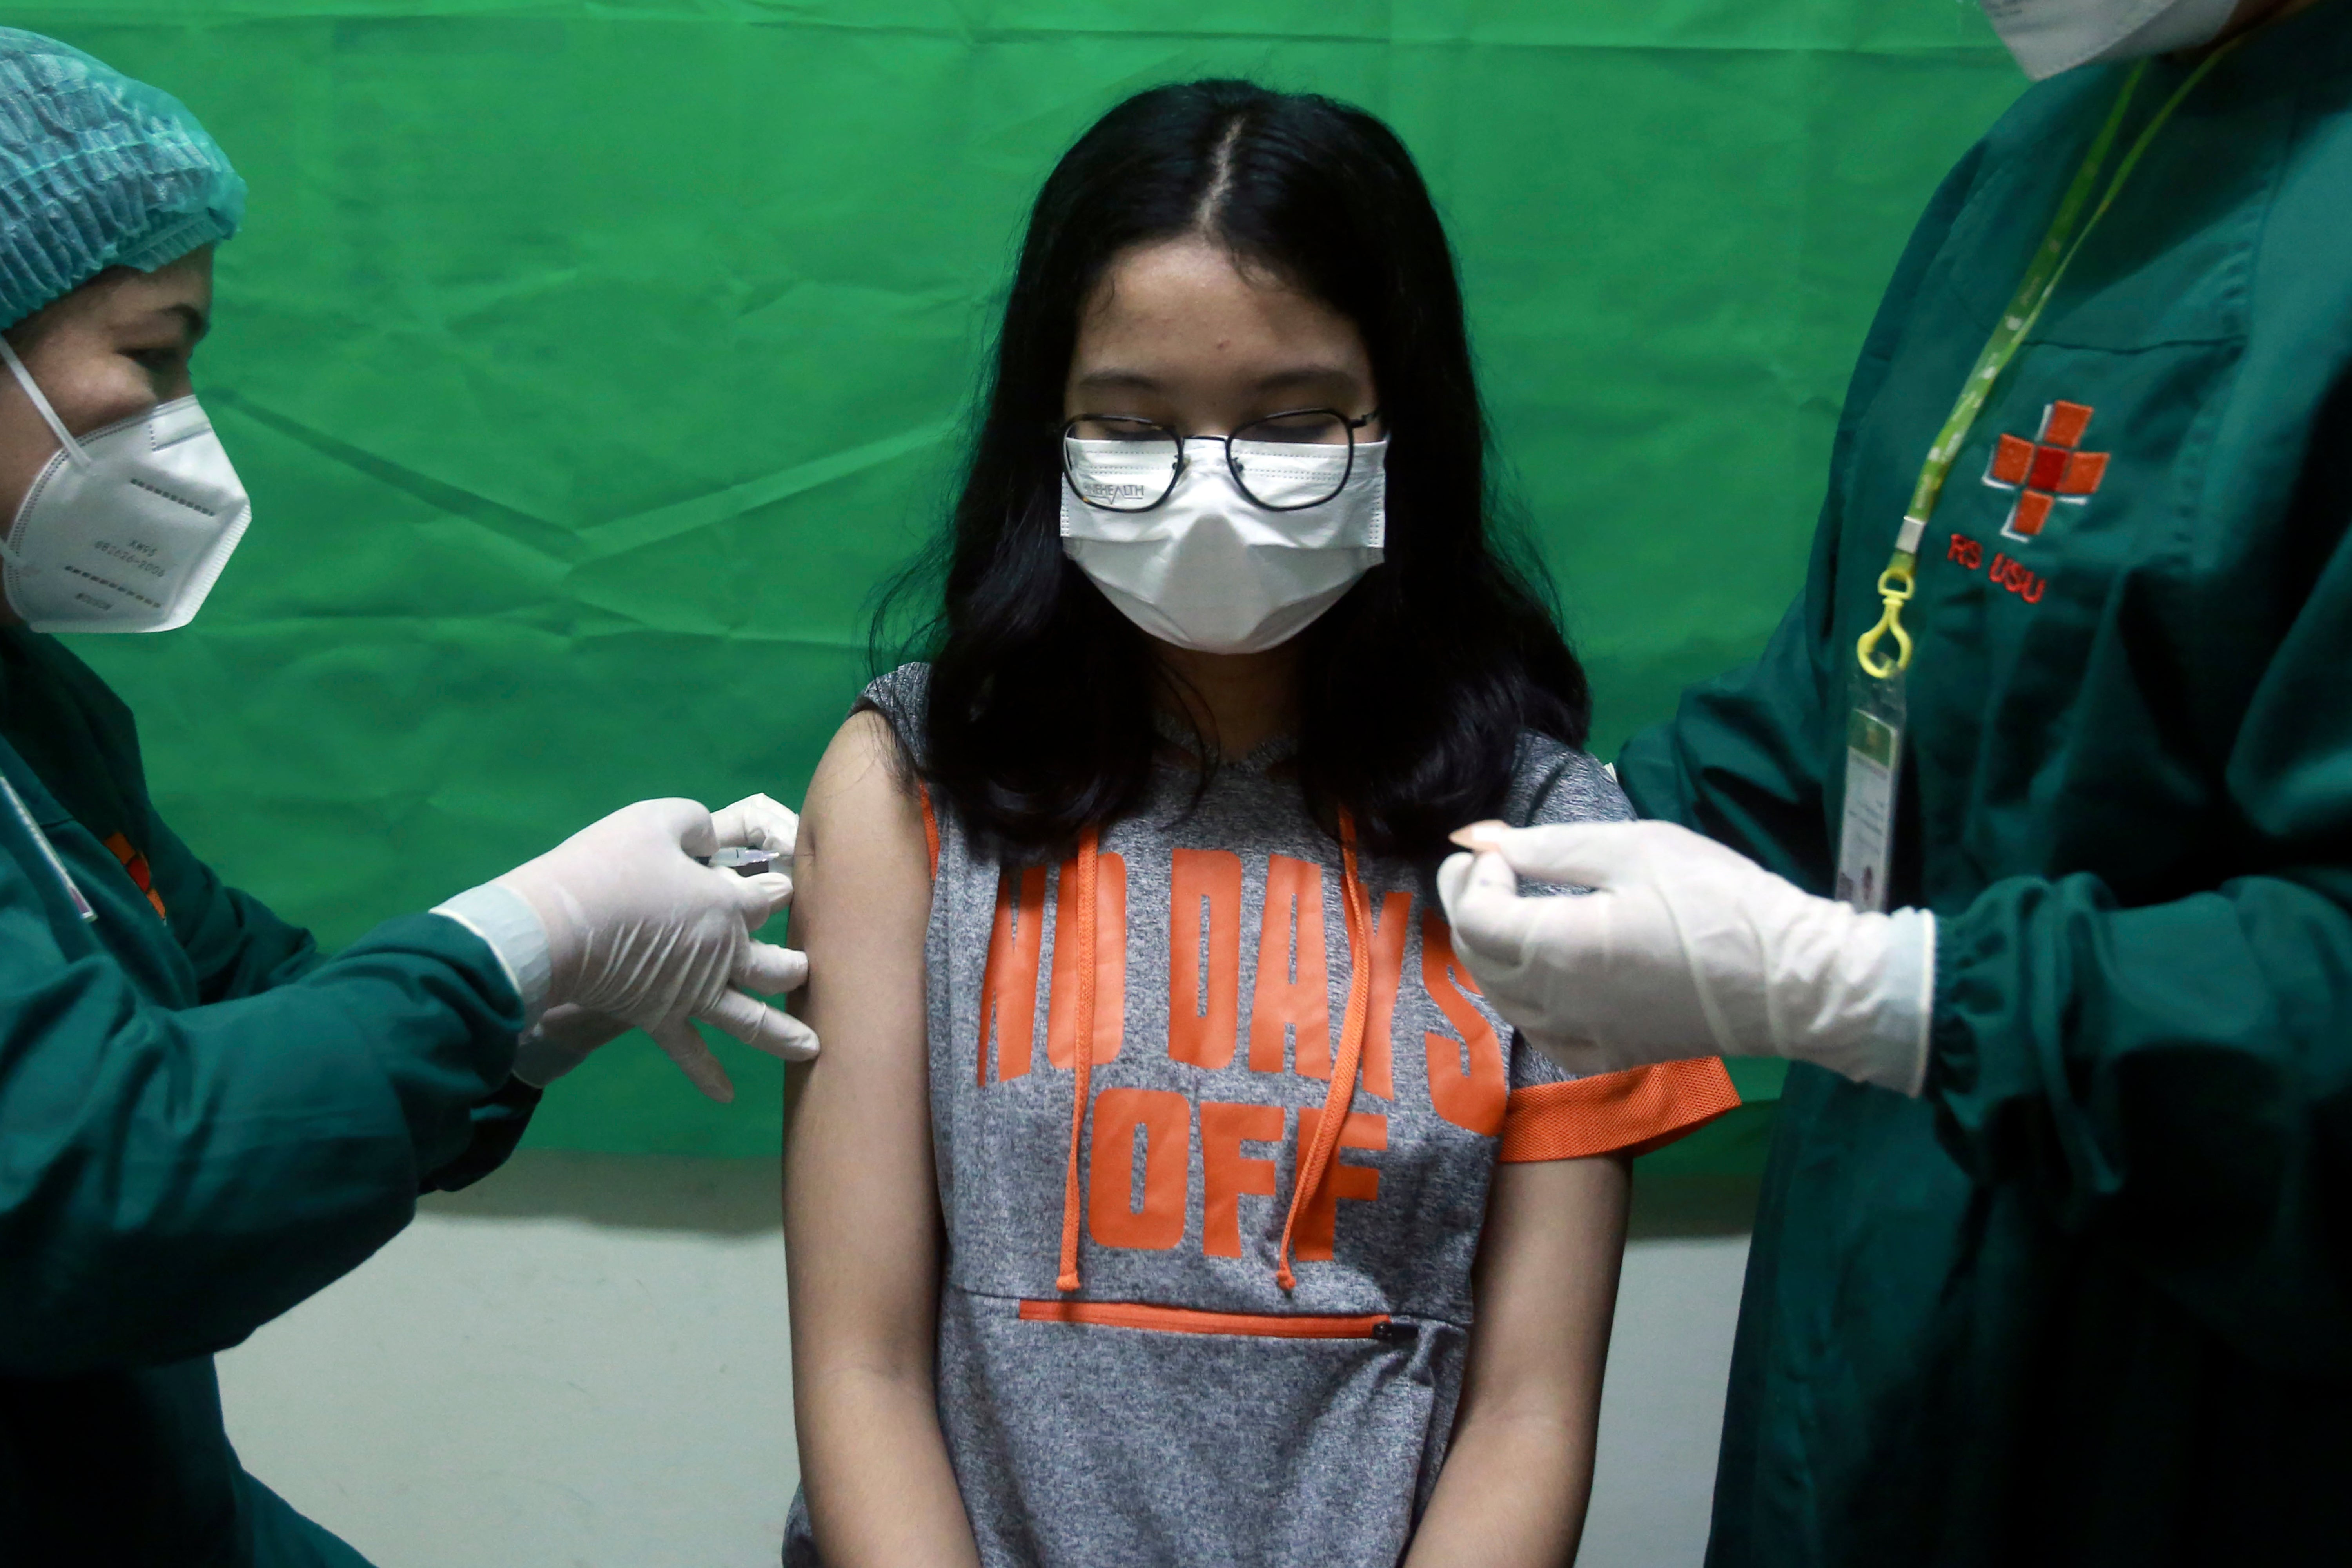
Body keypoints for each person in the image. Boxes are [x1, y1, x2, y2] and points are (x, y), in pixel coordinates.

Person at [1438, 0, 2351, 1561]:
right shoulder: (2048, 159)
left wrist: (1882, 991)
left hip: (2181, 1368)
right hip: (1879, 1290)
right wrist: (1547, 826)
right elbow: (1875, 685)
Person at [781, 79, 1737, 1568]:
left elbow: (1531, 1415)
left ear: (1401, 421)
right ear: (1053, 434)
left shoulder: (1553, 837)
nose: (1213, 491)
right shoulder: (911, 781)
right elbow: (864, 1365)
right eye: (1131, 423)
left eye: (1290, 426)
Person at [0, 31, 815, 1565]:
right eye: (152, 355)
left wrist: (536, 1007)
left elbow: (248, 1015)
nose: (185, 427)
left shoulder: (37, 710)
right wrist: (528, 932)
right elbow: (105, 1182)